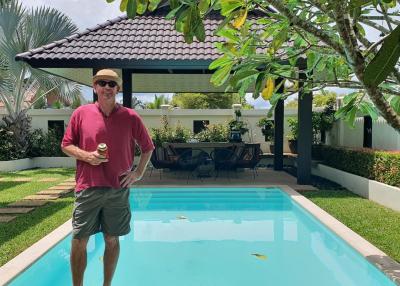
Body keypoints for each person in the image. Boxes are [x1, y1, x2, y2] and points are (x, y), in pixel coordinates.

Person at [61, 69, 154, 286]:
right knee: (79, 240)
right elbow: (66, 145)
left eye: (112, 84)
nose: (107, 87)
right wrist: (87, 156)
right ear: (95, 87)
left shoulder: (130, 116)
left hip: (117, 189)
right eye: (102, 83)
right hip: (88, 187)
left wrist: (138, 173)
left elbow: (148, 147)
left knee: (112, 240)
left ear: (117, 89)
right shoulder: (81, 114)